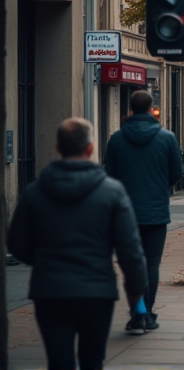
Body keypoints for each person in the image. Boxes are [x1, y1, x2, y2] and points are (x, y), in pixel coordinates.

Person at [8, 118, 148, 367]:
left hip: (49, 290)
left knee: (58, 360)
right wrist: (136, 293)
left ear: (58, 148)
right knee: (92, 359)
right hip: (97, 290)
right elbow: (130, 250)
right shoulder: (112, 191)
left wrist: (43, 260)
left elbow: (17, 244)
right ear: (90, 148)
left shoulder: (34, 192)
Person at [104, 89, 182, 332]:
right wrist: (159, 187)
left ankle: (137, 314)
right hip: (156, 210)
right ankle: (147, 312)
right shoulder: (167, 138)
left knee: (130, 264)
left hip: (125, 212)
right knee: (152, 264)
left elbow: (109, 176)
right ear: (151, 109)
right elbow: (176, 175)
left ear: (130, 110)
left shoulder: (116, 139)